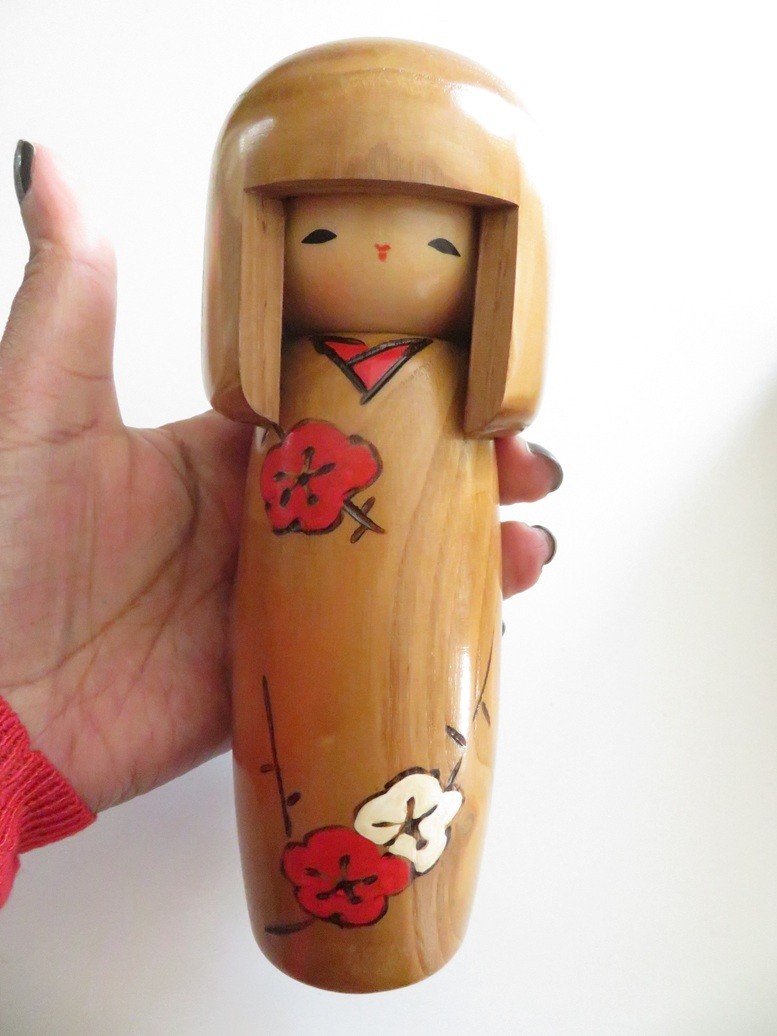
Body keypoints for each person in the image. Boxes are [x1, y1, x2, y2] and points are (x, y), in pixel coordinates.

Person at [0, 142, 561, 906]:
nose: (384, 251)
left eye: (439, 244)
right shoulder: (291, 381)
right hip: (289, 622)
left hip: (417, 625)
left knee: (420, 722)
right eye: (320, 235)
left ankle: (386, 891)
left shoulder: (443, 388)